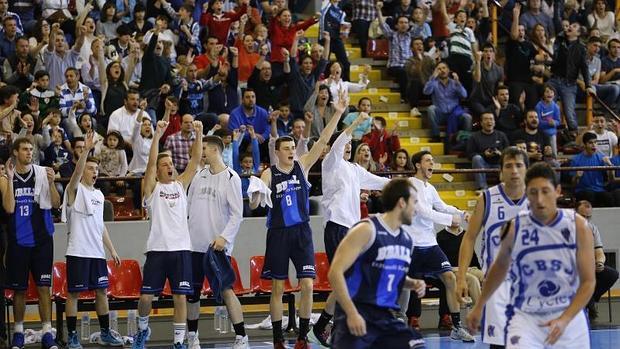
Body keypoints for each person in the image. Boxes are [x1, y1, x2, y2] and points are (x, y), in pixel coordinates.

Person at [248, 91, 348, 349]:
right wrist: (256, 196)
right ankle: (278, 340)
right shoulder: (269, 174)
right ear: (278, 152)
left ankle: (303, 337)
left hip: (302, 232)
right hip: (279, 233)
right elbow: (255, 202)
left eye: (293, 147)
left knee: (307, 284)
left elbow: (323, 139)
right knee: (278, 288)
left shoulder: (301, 166)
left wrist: (337, 112)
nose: (292, 151)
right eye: (287, 148)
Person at [467, 162, 595, 349]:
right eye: (534, 192)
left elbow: (589, 282)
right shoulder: (514, 228)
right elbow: (499, 268)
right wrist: (479, 305)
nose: (540, 200)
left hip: (569, 316)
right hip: (526, 317)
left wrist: (564, 319)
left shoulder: (579, 226)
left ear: (558, 191)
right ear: (527, 193)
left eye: (545, 191)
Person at [308, 112, 390, 346]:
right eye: (344, 145)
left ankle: (325, 324)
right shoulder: (330, 163)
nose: (347, 147)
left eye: (348, 146)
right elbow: (340, 141)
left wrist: (408, 182)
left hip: (351, 231)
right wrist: (354, 123)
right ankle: (337, 326)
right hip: (336, 226)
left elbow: (380, 181)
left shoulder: (355, 170)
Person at [327, 178, 426, 349]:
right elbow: (335, 272)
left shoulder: (407, 240)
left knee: (416, 345)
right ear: (401, 202)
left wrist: (412, 283)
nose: (416, 209)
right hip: (358, 312)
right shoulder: (366, 229)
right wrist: (351, 313)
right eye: (414, 202)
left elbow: (390, 275)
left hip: (385, 317)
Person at [131, 119, 203, 349]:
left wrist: (199, 134)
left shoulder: (180, 185)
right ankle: (142, 329)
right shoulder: (152, 189)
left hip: (181, 249)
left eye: (171, 163)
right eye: (165, 164)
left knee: (180, 297)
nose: (169, 166)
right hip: (157, 250)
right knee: (145, 298)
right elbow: (150, 165)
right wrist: (157, 136)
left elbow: (194, 161)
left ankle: (179, 342)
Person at [457, 146, 529, 348]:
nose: (514, 170)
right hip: (496, 285)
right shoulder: (487, 199)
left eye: (519, 165)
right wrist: (461, 277)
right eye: (508, 165)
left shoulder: (537, 200)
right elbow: (469, 238)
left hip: (529, 283)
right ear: (500, 171)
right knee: (499, 344)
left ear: (526, 169)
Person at [404, 150, 475, 342]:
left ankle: (456, 326)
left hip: (430, 243)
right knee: (405, 288)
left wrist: (462, 213)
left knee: (450, 278)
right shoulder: (410, 185)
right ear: (418, 165)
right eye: (428, 160)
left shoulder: (431, 188)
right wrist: (452, 219)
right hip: (412, 245)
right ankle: (400, 324)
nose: (432, 164)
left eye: (433, 161)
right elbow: (424, 212)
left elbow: (442, 206)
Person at [186, 135, 249, 349]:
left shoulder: (232, 178)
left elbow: (237, 214)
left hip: (217, 247)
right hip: (194, 245)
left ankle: (241, 337)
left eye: (203, 148)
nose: (200, 152)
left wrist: (224, 237)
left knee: (226, 290)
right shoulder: (198, 176)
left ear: (214, 150)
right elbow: (188, 207)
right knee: (192, 294)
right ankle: (192, 337)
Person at [61, 132, 123, 349]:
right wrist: (85, 150)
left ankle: (105, 332)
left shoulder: (98, 195)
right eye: (90, 168)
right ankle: (72, 336)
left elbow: (100, 226)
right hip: (78, 251)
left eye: (96, 169)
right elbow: (75, 175)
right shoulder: (74, 191)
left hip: (97, 253)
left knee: (101, 292)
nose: (94, 172)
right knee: (74, 294)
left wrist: (112, 249)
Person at [1, 137, 61, 349]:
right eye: (25, 149)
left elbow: (56, 203)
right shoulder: (5, 177)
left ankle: (46, 332)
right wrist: (9, 179)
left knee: (44, 288)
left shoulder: (43, 173)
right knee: (19, 290)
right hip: (18, 240)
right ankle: (18, 331)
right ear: (15, 152)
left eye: (31, 150)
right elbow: (9, 208)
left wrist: (53, 183)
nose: (29, 153)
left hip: (42, 240)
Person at [575, 200, 619, 321]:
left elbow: (599, 252)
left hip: (589, 267)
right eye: (582, 216)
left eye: (588, 217)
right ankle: (587, 302)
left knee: (612, 274)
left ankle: (590, 299)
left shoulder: (592, 229)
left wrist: (600, 262)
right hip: (572, 269)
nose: (585, 220)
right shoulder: (565, 229)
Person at [466, 112, 510, 190]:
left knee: (508, 159)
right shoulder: (474, 137)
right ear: (481, 123)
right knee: (477, 158)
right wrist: (484, 154)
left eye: (491, 119)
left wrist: (500, 153)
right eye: (486, 119)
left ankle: (507, 188)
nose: (489, 121)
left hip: (499, 164)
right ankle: (482, 187)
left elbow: (509, 152)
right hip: (483, 164)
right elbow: (470, 154)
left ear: (494, 122)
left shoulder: (501, 135)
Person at [570, 132, 614, 207]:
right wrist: (577, 177)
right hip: (582, 190)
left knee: (608, 197)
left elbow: (611, 179)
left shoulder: (602, 157)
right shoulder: (576, 160)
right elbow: (573, 184)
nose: (594, 145)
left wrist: (610, 166)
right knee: (589, 194)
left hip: (599, 190)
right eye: (590, 143)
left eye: (595, 142)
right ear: (584, 144)